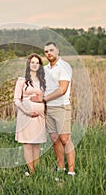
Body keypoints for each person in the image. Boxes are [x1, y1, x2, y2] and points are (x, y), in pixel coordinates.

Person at [31, 42, 75, 176]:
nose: (48, 53)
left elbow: (62, 90)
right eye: (46, 51)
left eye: (51, 50)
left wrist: (43, 99)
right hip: (49, 108)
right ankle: (60, 167)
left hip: (61, 107)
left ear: (57, 51)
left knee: (65, 139)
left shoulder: (64, 66)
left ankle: (71, 171)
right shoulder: (45, 69)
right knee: (55, 140)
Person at [14, 53, 47, 176]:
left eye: (37, 63)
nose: (34, 65)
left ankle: (36, 170)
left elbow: (47, 98)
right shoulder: (21, 80)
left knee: (36, 143)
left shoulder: (43, 81)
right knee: (27, 143)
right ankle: (32, 171)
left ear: (40, 65)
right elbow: (16, 99)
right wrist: (26, 111)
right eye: (32, 62)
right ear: (28, 64)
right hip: (26, 115)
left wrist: (41, 101)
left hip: (40, 116)